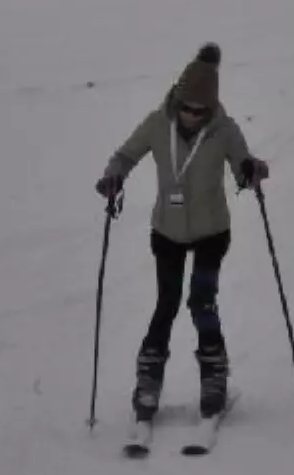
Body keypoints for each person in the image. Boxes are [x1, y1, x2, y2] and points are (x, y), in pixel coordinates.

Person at [95, 43, 269, 423]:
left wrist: (252, 171)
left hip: (211, 231)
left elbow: (242, 166)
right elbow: (126, 155)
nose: (192, 116)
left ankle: (214, 376)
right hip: (168, 231)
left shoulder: (224, 129)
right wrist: (113, 177)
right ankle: (148, 380)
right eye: (187, 107)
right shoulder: (157, 124)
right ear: (177, 99)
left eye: (200, 111)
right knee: (167, 303)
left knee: (202, 301)